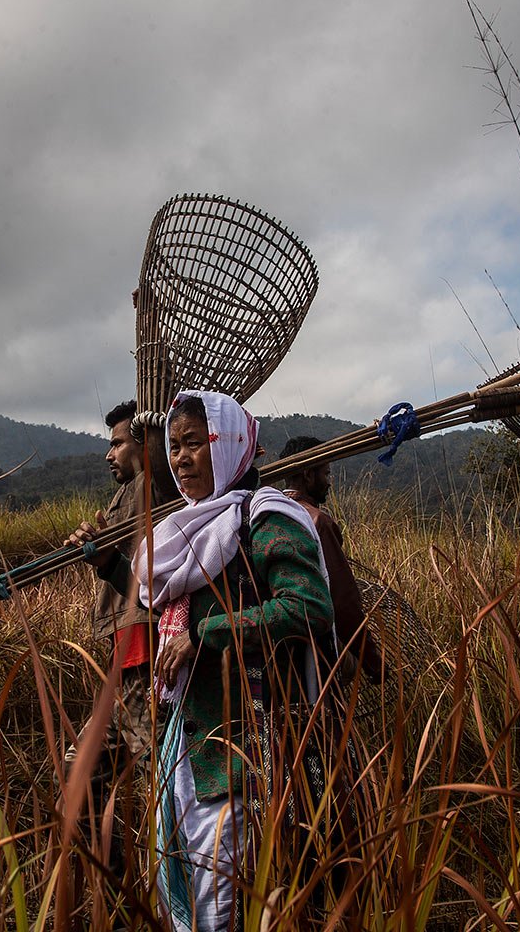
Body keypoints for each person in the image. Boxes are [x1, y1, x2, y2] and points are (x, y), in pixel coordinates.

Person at [137, 391, 334, 932]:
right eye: (174, 447)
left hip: (246, 753)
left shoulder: (263, 517)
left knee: (228, 907)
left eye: (195, 444)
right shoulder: (185, 530)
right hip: (189, 746)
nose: (181, 459)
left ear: (229, 445)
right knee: (191, 901)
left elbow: (307, 605)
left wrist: (207, 634)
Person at [63, 401, 164, 791]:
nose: (110, 454)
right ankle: (93, 850)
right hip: (125, 657)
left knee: (159, 771)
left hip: (143, 649)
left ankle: (167, 848)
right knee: (80, 771)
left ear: (147, 446)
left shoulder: (155, 484)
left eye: (118, 444)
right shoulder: (125, 494)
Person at [278, 436, 384, 683]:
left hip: (271, 658)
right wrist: (371, 661)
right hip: (311, 661)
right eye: (326, 474)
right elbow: (343, 603)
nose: (329, 483)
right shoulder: (317, 522)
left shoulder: (264, 514)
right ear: (307, 475)